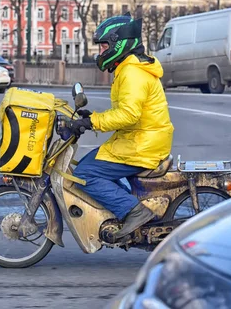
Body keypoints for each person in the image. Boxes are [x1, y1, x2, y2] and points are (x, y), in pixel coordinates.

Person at [69, 13, 174, 239]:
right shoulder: (129, 68)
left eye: (104, 45)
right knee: (93, 165)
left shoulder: (132, 72)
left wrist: (92, 122)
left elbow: (128, 115)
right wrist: (91, 117)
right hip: (138, 140)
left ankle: (133, 211)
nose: (100, 52)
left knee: (85, 173)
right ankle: (128, 208)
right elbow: (126, 112)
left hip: (142, 146)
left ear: (119, 44)